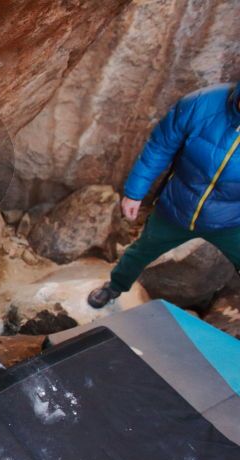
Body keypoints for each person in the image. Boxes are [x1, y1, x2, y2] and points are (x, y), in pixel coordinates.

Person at [88, 81, 240, 308]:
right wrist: (135, 192)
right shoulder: (202, 103)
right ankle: (115, 286)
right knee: (141, 251)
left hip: (231, 220)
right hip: (178, 207)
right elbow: (161, 145)